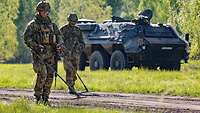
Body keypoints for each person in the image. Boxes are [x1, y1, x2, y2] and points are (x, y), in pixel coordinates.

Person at [23, 1, 62, 104]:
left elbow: (59, 36)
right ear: (39, 11)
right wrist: (36, 46)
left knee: (50, 75)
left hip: (51, 54)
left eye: (47, 11)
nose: (45, 13)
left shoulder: (52, 25)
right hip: (39, 54)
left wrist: (59, 45)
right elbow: (27, 38)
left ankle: (45, 98)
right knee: (42, 74)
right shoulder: (33, 25)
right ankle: (37, 97)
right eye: (43, 11)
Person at [60, 13, 85, 94]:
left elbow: (82, 43)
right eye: (71, 21)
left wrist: (78, 49)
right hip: (66, 54)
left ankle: (72, 85)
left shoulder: (78, 30)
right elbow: (59, 41)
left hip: (75, 55)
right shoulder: (63, 30)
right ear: (68, 20)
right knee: (69, 70)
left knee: (74, 70)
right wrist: (63, 50)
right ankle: (70, 87)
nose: (73, 22)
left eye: (74, 21)